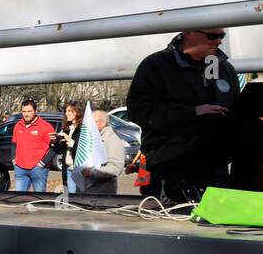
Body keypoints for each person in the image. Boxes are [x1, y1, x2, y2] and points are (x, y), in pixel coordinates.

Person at [127, 29, 242, 203]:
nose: (218, 41)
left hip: (215, 166)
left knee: (215, 226)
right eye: (212, 36)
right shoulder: (156, 65)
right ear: (188, 32)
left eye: (222, 36)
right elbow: (139, 111)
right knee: (176, 225)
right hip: (170, 165)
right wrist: (192, 113)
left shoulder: (225, 68)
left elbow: (237, 111)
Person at [80, 109, 128, 195]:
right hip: (87, 191)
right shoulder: (93, 137)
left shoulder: (112, 140)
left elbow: (116, 168)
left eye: (91, 122)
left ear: (102, 123)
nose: (87, 124)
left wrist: (92, 172)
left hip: (102, 193)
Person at [12, 98, 52, 192]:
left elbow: (54, 148)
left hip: (38, 169)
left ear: (35, 111)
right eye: (24, 111)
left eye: (29, 111)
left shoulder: (46, 126)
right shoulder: (18, 126)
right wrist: (14, 160)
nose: (26, 114)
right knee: (19, 199)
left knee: (40, 199)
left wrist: (42, 163)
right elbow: (14, 144)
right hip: (20, 168)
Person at [52, 101, 84, 194]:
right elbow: (61, 151)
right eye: (66, 111)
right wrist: (54, 142)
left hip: (79, 169)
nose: (66, 114)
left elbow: (83, 150)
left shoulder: (83, 129)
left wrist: (69, 140)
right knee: (71, 197)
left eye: (69, 111)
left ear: (77, 112)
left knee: (80, 198)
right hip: (68, 169)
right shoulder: (66, 129)